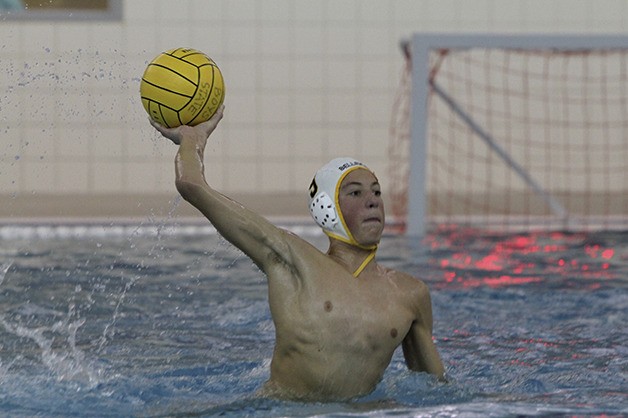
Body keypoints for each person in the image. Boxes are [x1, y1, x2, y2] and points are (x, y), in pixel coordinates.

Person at [150, 105, 445, 401]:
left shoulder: (410, 294)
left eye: (377, 192)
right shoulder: (290, 259)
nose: (372, 201)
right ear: (328, 208)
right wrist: (193, 138)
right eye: (356, 193)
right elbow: (191, 185)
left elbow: (435, 391)